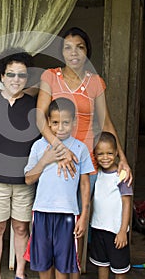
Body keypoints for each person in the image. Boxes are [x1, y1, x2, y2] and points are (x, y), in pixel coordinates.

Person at [36, 27, 132, 265]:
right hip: (56, 162)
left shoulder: (96, 83)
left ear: (87, 50)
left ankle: (76, 269)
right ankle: (56, 267)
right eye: (67, 48)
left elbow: (106, 122)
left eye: (79, 47)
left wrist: (123, 159)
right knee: (57, 221)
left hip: (87, 161)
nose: (74, 53)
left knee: (81, 220)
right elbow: (40, 119)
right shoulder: (50, 76)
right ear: (61, 52)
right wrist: (61, 149)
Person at [0, 48, 40, 279]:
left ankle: (20, 274)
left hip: (25, 180)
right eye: (10, 74)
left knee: (22, 228)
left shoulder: (35, 104)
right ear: (1, 76)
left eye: (22, 75)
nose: (16, 80)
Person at [24, 97, 94, 279]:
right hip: (42, 211)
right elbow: (28, 179)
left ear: (74, 122)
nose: (60, 128)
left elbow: (85, 185)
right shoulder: (39, 146)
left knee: (64, 263)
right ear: (48, 122)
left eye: (65, 123)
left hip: (68, 214)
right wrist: (46, 160)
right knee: (42, 260)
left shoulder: (80, 148)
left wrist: (84, 215)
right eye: (55, 123)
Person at [89, 131, 133, 279]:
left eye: (109, 153)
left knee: (119, 269)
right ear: (94, 154)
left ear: (116, 153)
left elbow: (127, 204)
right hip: (98, 228)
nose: (105, 157)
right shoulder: (96, 174)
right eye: (100, 154)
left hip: (116, 231)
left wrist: (122, 231)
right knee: (102, 265)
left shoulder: (121, 175)